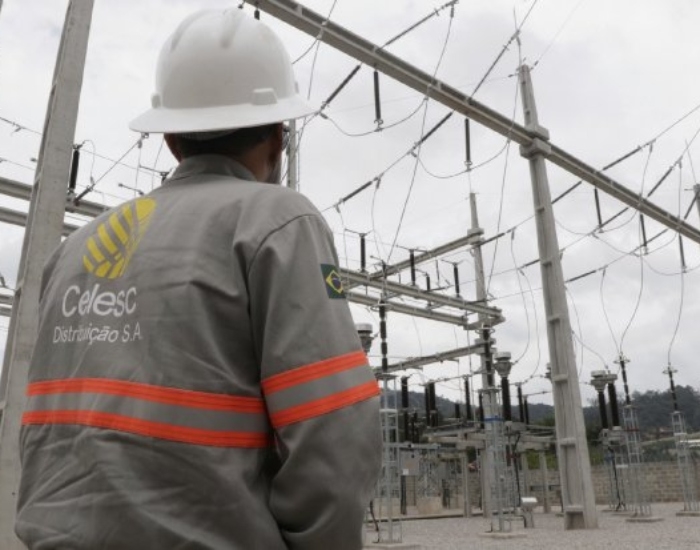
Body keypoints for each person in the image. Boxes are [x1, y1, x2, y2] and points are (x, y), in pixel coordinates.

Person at [15, 9, 381, 550]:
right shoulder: (279, 222)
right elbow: (333, 433)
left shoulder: (73, 251)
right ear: (279, 137)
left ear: (171, 140)